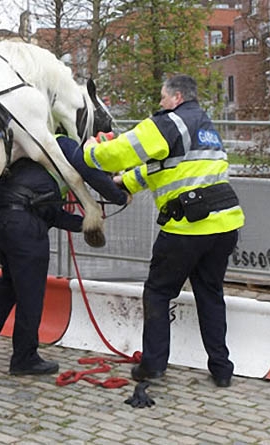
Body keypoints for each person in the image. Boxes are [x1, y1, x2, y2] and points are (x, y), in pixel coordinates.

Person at [81, 74, 245, 387]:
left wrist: (91, 152)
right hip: (225, 225)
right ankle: (222, 369)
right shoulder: (205, 127)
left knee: (158, 292)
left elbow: (121, 152)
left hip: (187, 227)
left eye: (162, 97)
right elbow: (168, 167)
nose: (159, 103)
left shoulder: (170, 122)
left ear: (177, 97)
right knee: (210, 295)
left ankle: (153, 365)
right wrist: (127, 182)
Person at [0, 139, 129, 376]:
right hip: (22, 224)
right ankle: (24, 358)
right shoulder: (64, 145)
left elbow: (50, 213)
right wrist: (120, 196)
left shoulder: (35, 153)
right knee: (31, 293)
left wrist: (85, 224)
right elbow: (94, 175)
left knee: (11, 282)